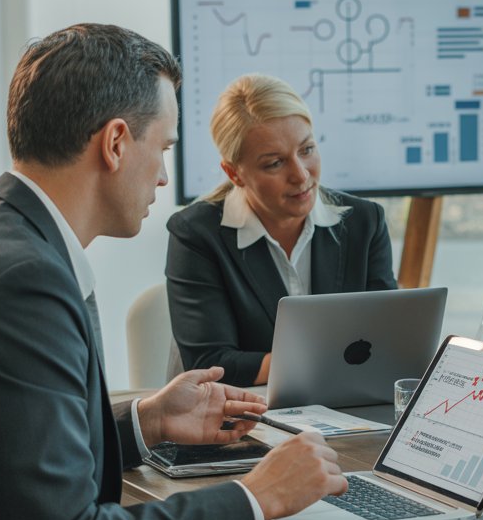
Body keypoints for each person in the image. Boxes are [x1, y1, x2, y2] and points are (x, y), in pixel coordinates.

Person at [0, 24, 348, 520]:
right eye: (165, 146)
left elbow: (15, 455)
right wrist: (255, 498)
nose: (164, 174)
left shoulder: (9, 239)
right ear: (118, 143)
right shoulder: (28, 281)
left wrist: (145, 422)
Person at [166, 73, 397, 387]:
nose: (301, 176)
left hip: (348, 408)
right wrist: (330, 360)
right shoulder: (196, 234)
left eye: (307, 150)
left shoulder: (364, 222)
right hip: (240, 416)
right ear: (234, 172)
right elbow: (210, 363)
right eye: (275, 163)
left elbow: (389, 339)